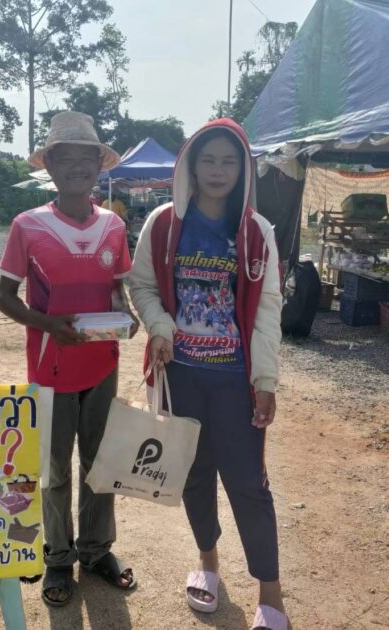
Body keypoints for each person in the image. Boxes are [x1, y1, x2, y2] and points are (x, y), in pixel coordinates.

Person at [129, 119, 289, 630]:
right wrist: (159, 327)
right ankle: (208, 562)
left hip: (235, 381)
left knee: (248, 482)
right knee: (194, 474)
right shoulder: (163, 223)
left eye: (229, 161)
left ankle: (270, 592)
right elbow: (142, 286)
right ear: (190, 166)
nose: (218, 171)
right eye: (208, 160)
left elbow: (267, 309)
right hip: (181, 376)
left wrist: (265, 381)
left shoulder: (257, 232)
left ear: (243, 169)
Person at [0, 111, 139, 607]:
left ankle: (96, 550)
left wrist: (126, 315)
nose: (77, 167)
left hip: (102, 366)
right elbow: (4, 299)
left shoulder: (113, 226)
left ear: (99, 166)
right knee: (55, 469)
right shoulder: (28, 225)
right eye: (66, 158)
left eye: (87, 158)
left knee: (100, 463)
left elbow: (117, 289)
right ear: (50, 166)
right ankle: (58, 556)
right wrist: (48, 323)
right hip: (50, 369)